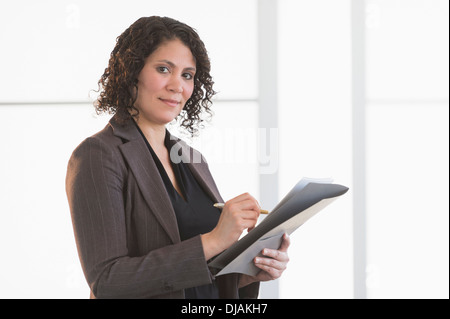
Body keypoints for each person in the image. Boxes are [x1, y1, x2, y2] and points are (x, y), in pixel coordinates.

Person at [65, 16, 290, 299]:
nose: (177, 86)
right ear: (131, 72)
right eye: (163, 69)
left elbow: (199, 274)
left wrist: (249, 273)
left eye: (187, 75)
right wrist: (213, 240)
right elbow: (108, 282)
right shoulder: (98, 155)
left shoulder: (193, 159)